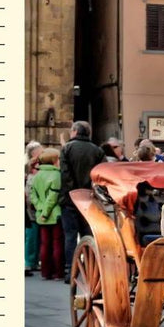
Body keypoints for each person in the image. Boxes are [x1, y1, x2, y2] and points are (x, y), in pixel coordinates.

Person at [59, 120, 106, 282]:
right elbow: (101, 174)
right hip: (90, 198)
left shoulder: (67, 149)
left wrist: (72, 192)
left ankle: (70, 270)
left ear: (74, 132)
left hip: (70, 198)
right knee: (88, 233)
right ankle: (90, 268)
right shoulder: (97, 150)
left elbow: (65, 175)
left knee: (70, 235)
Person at [30, 148, 64, 281]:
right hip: (54, 214)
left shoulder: (37, 175)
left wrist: (40, 210)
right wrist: (46, 212)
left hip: (40, 215)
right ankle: (58, 272)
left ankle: (45, 272)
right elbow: (53, 197)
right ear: (54, 160)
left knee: (45, 244)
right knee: (57, 244)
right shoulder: (56, 175)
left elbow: (33, 195)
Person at [24, 141, 42, 276]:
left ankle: (34, 260)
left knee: (36, 233)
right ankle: (30, 261)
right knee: (31, 233)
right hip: (31, 203)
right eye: (40, 149)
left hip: (35, 202)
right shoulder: (29, 166)